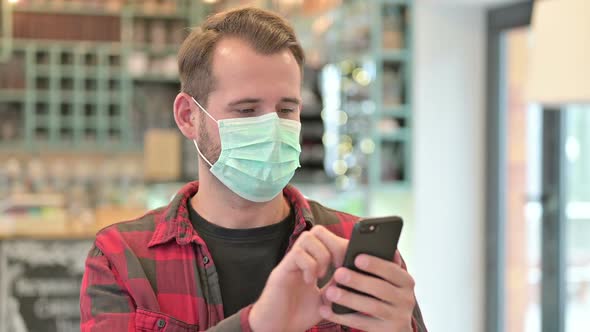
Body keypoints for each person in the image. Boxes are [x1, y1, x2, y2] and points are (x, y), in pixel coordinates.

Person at [80, 7, 427, 332]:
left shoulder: (351, 249)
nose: (272, 129)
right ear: (189, 116)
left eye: (286, 109)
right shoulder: (123, 258)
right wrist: (258, 324)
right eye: (246, 110)